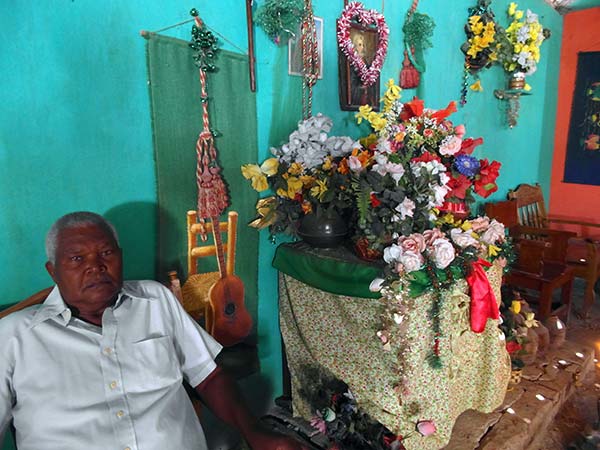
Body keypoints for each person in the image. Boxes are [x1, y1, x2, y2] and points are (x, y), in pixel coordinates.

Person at [0, 211, 307, 450]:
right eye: (77, 259)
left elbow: (209, 377)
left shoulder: (155, 300)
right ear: (53, 271)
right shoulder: (14, 336)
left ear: (121, 256)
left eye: (106, 254)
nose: (96, 266)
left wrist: (254, 433)